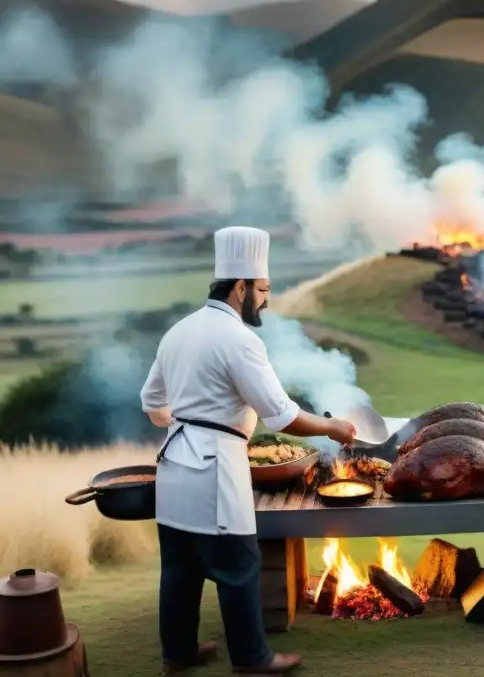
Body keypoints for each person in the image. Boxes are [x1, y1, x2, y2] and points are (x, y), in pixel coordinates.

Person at [140, 226, 358, 675]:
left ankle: (177, 654)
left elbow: (151, 404)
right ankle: (253, 659)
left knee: (179, 568)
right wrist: (333, 426)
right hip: (214, 470)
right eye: (262, 290)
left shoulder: (178, 331)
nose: (265, 300)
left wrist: (186, 422)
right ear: (240, 286)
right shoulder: (239, 339)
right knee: (239, 565)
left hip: (173, 466)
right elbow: (282, 415)